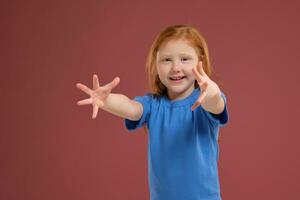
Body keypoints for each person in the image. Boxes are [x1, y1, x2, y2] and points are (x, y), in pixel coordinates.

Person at [76, 24, 229, 200]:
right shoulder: (153, 105)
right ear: (156, 63)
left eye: (185, 59)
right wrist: (106, 100)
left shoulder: (204, 102)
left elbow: (216, 104)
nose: (175, 68)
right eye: (166, 60)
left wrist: (212, 92)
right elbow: (131, 109)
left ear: (200, 62)